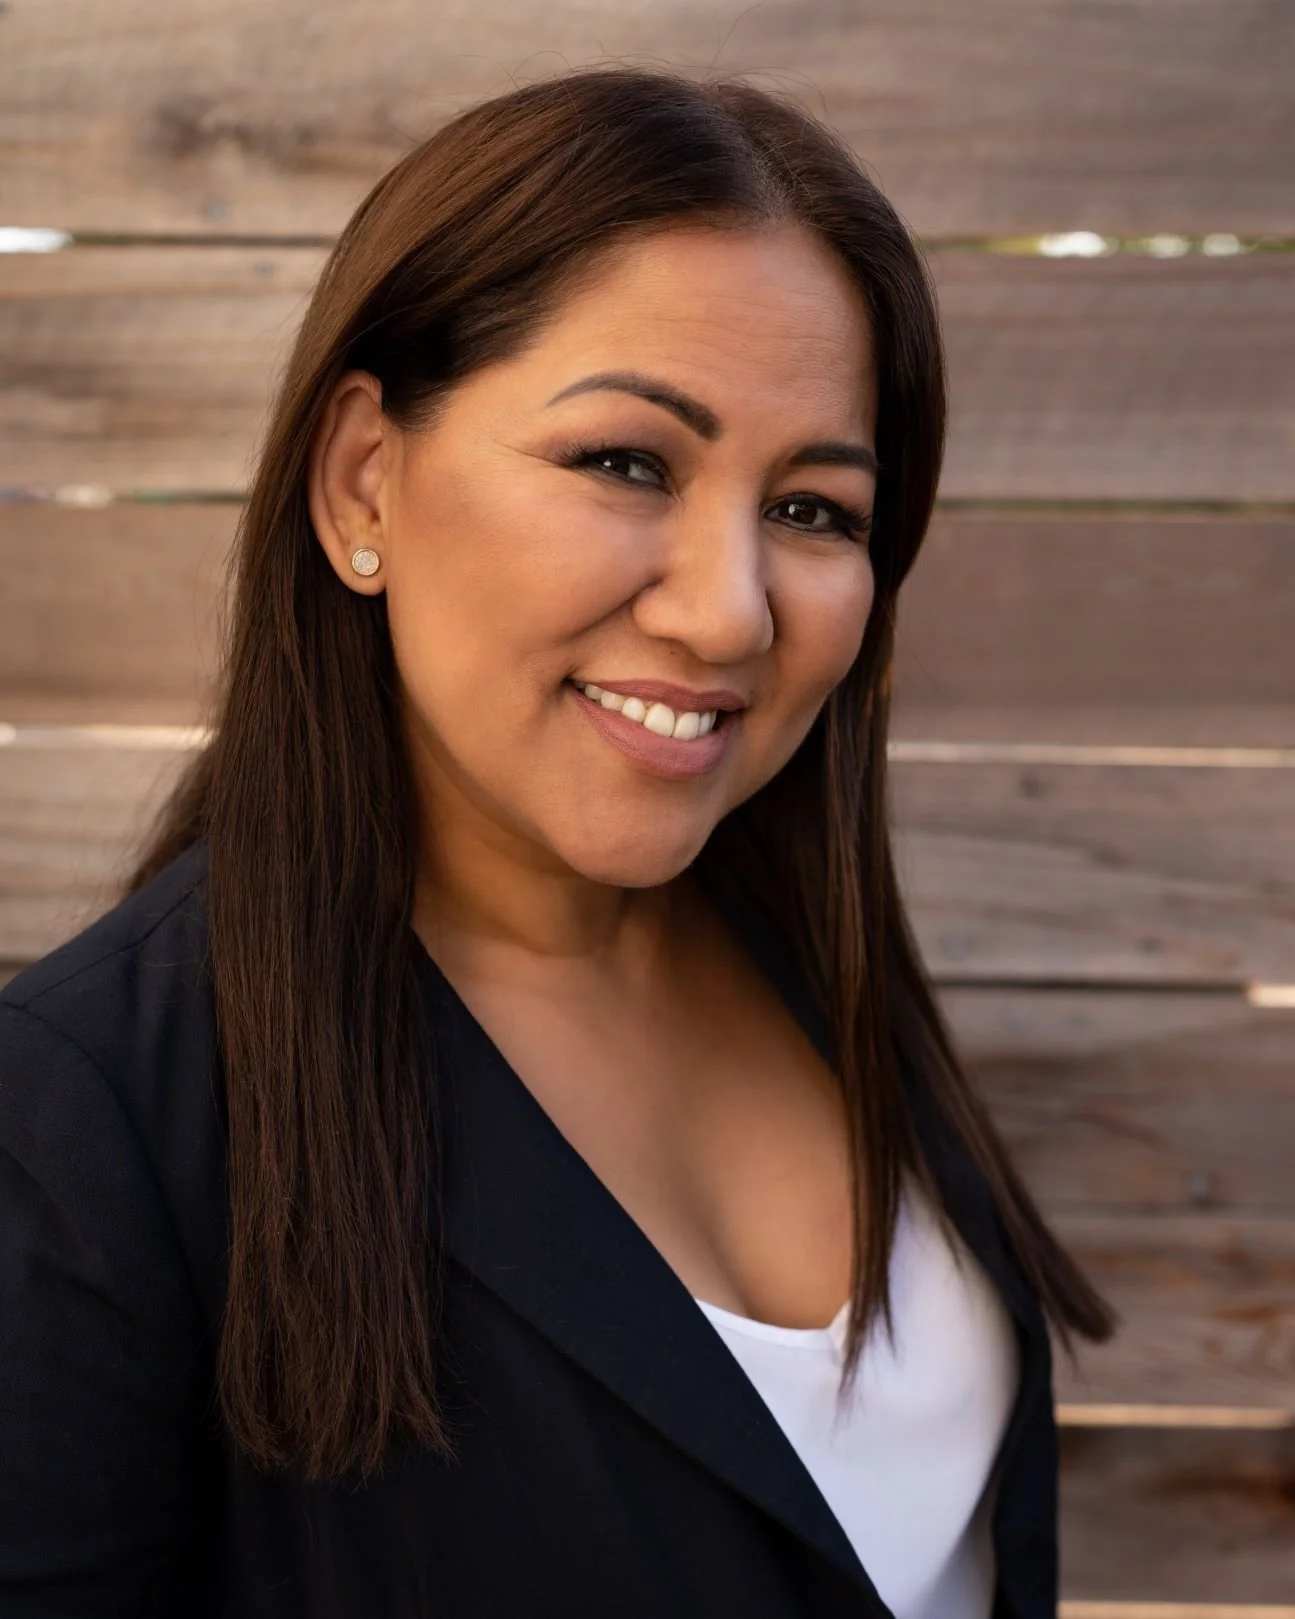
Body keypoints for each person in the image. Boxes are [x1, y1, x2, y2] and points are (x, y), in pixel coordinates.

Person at [0, 66, 1113, 1619]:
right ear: (360, 480)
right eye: (625, 463)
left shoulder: (810, 955)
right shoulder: (88, 1123)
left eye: (812, 510)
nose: (730, 608)